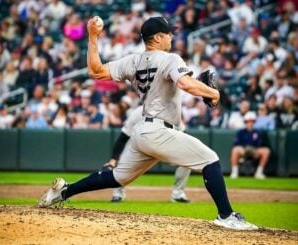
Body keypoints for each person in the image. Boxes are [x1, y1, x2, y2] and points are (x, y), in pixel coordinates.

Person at [38, 16, 258, 230]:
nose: (172, 36)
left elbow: (95, 71)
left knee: (117, 177)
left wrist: (93, 37)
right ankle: (227, 216)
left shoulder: (133, 61)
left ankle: (63, 191)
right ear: (158, 37)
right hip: (159, 131)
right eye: (169, 33)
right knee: (211, 160)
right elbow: (186, 84)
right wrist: (213, 92)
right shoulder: (171, 58)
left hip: (143, 131)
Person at [106, 105, 191, 203]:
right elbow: (123, 138)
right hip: (142, 149)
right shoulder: (137, 113)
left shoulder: (170, 111)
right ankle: (118, 193)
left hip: (164, 148)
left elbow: (185, 134)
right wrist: (113, 159)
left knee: (186, 159)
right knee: (123, 161)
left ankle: (178, 194)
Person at [230, 112, 270, 179]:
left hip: (254, 151)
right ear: (245, 122)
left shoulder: (257, 132)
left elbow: (260, 144)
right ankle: (234, 173)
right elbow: (237, 144)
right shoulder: (241, 132)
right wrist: (245, 149)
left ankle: (259, 173)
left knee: (266, 151)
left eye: (252, 121)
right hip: (243, 151)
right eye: (248, 121)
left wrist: (254, 149)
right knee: (235, 150)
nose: (250, 123)